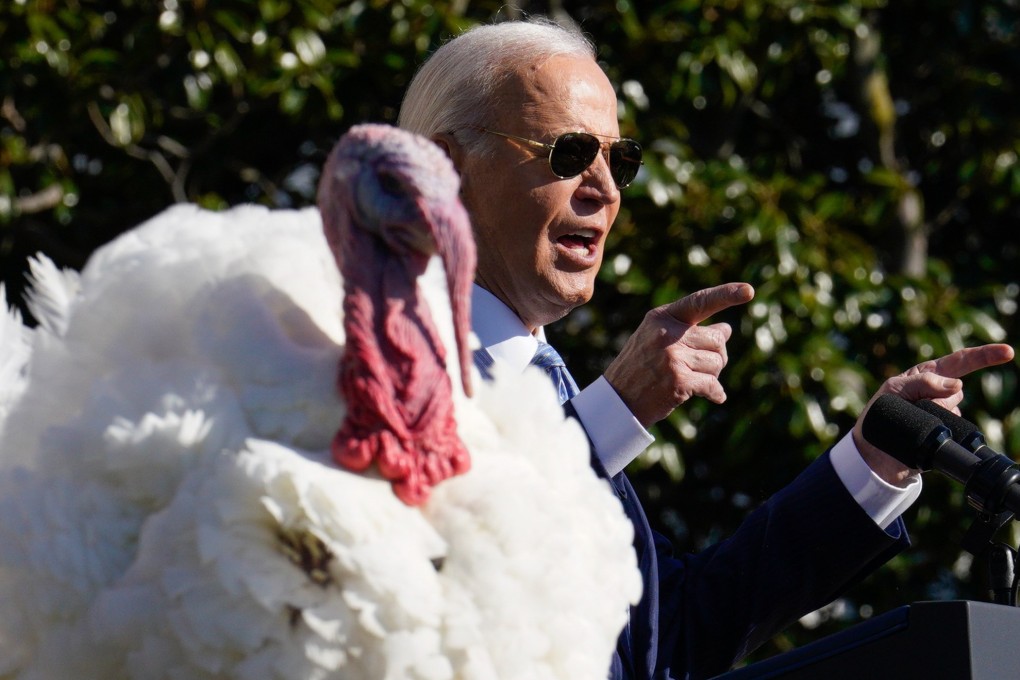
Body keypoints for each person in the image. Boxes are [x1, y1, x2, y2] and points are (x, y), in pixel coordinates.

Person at [396, 17, 1015, 680]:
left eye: (619, 161)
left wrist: (871, 462)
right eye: (569, 153)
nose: (604, 188)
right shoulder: (360, 362)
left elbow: (676, 633)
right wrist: (616, 411)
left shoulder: (552, 391)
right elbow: (423, 573)